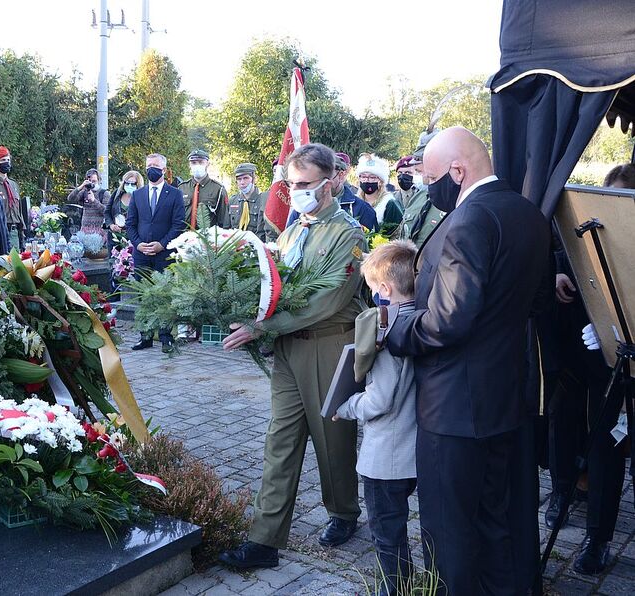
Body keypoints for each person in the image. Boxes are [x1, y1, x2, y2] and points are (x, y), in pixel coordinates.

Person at [387, 127, 550, 594]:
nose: (429, 186)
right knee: (499, 522)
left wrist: (394, 326)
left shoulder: (468, 220)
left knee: (450, 529)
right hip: (506, 396)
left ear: (458, 171)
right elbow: (537, 300)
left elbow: (445, 323)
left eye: (434, 176)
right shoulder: (527, 213)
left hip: (454, 407)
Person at [219, 143, 365, 569]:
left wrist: (262, 327)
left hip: (328, 344)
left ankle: (343, 512)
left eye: (304, 184)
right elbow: (272, 285)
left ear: (330, 181)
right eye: (290, 183)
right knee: (280, 441)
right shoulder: (291, 232)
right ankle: (264, 540)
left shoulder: (348, 235)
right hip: (288, 349)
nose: (296, 191)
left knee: (332, 439)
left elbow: (329, 298)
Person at [543, 163, 634, 575]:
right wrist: (559, 268)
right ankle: (571, 503)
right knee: (571, 427)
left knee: (611, 447)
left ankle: (599, 536)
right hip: (582, 353)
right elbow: (571, 251)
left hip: (622, 358)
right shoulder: (589, 223)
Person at [335, 240, 418, 596]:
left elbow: (379, 399)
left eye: (372, 289)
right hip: (418, 449)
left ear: (384, 288)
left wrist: (346, 406)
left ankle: (395, 590)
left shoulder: (387, 330)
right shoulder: (423, 318)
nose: (372, 296)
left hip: (387, 455)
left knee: (387, 533)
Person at [126, 153, 186, 354]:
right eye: (148, 165)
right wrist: (138, 244)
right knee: (143, 295)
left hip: (164, 253)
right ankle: (145, 336)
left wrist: (162, 244)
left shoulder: (175, 194)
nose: (152, 169)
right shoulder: (137, 195)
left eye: (156, 166)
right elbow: (130, 224)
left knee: (165, 295)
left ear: (164, 170)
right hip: (142, 253)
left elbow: (178, 225)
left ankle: (166, 337)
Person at [394, 154, 444, 245]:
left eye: (408, 173)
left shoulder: (455, 201)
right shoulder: (418, 197)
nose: (403, 176)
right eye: (400, 173)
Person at [0, 146, 27, 251]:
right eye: (3, 160)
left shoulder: (13, 185)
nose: (7, 163)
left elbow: (18, 211)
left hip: (14, 232)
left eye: (8, 160)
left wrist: (22, 233)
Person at [178, 149, 229, 229]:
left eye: (201, 162)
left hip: (208, 237)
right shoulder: (182, 188)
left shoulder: (218, 189)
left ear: (208, 164)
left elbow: (224, 220)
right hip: (184, 236)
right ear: (189, 165)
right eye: (193, 163)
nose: (197, 165)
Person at [356, 154, 403, 234]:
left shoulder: (389, 203)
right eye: (363, 176)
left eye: (372, 177)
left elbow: (394, 233)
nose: (367, 180)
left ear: (380, 181)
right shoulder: (354, 201)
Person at [228, 163, 270, 240]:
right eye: (239, 179)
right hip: (235, 247)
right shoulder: (233, 201)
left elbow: (267, 231)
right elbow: (226, 227)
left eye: (246, 178)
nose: (242, 182)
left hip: (257, 246)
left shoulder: (264, 200)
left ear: (254, 179)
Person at [68, 168, 111, 242]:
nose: (92, 183)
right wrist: (81, 187)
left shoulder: (104, 193)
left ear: (99, 180)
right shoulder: (84, 192)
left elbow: (106, 211)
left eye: (94, 181)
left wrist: (94, 201)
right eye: (90, 181)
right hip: (84, 230)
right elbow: (70, 198)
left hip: (98, 231)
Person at [105, 170, 143, 240]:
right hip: (114, 237)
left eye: (133, 184)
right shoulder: (117, 194)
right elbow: (107, 212)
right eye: (127, 183)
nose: (129, 186)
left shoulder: (142, 198)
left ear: (138, 184)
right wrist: (111, 225)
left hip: (133, 239)